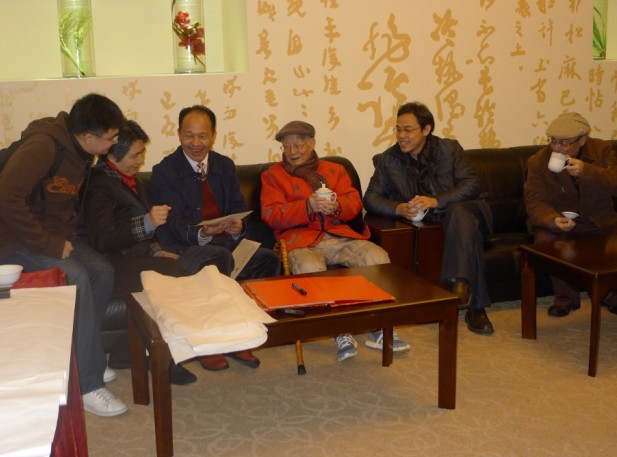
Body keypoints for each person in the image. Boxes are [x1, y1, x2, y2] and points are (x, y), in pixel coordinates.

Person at [0, 93, 129, 417]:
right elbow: (7, 198)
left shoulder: (82, 152)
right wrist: (50, 244)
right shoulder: (44, 147)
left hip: (50, 236)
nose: (114, 143)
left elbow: (60, 205)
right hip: (14, 240)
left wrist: (62, 239)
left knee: (102, 271)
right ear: (87, 136)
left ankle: (85, 357)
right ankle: (87, 385)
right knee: (77, 277)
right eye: (111, 137)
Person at [260, 120, 410, 362]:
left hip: (340, 236)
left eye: (298, 145)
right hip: (301, 241)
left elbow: (354, 203)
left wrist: (337, 206)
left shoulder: (335, 170)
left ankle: (379, 327)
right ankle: (341, 331)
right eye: (286, 147)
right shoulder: (273, 176)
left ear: (312, 143)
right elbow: (271, 214)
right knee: (310, 267)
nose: (292, 151)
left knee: (377, 257)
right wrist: (307, 206)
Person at [150, 105, 281, 372]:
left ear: (213, 135)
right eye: (189, 135)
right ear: (178, 134)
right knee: (217, 258)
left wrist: (238, 226)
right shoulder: (165, 170)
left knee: (268, 259)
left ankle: (242, 332)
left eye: (203, 136)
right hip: (187, 247)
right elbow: (173, 222)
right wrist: (201, 233)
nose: (196, 143)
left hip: (227, 243)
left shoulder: (224, 165)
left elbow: (238, 207)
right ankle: (210, 342)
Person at [363, 102, 495, 335]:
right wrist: (398, 208)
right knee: (467, 236)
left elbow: (472, 184)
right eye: (398, 129)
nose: (401, 135)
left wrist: (436, 200)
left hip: (468, 211)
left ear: (426, 129)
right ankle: (475, 307)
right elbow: (370, 198)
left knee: (460, 215)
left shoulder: (449, 149)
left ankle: (459, 283)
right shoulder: (388, 159)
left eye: (408, 130)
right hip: (434, 222)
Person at [82, 120, 197, 385]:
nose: (140, 160)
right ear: (112, 154)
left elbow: (146, 233)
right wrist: (146, 223)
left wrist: (156, 251)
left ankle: (125, 352)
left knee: (178, 267)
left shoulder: (131, 181)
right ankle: (164, 358)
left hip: (134, 259)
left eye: (141, 153)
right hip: (112, 265)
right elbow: (102, 238)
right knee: (174, 277)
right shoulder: (98, 185)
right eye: (135, 155)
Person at [524, 112, 617, 317]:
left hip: (597, 219)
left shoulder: (602, 150)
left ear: (582, 140)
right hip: (560, 219)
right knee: (546, 241)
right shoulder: (538, 161)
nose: (557, 147)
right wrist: (552, 219)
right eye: (553, 141)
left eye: (564, 143)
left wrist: (588, 172)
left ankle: (610, 294)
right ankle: (565, 299)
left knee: (612, 238)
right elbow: (535, 201)